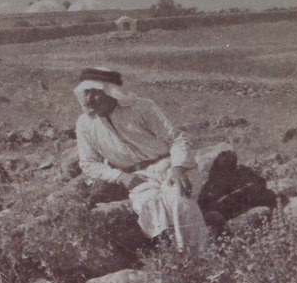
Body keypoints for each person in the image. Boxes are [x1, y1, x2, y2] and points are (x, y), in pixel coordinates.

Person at [74, 68, 208, 252]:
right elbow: (88, 163)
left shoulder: (142, 107)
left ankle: (202, 256)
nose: (88, 100)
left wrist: (179, 168)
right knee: (149, 206)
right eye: (85, 93)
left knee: (179, 201)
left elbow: (176, 139)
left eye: (95, 93)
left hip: (169, 165)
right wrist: (121, 176)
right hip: (137, 176)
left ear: (110, 92)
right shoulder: (85, 124)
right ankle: (175, 260)